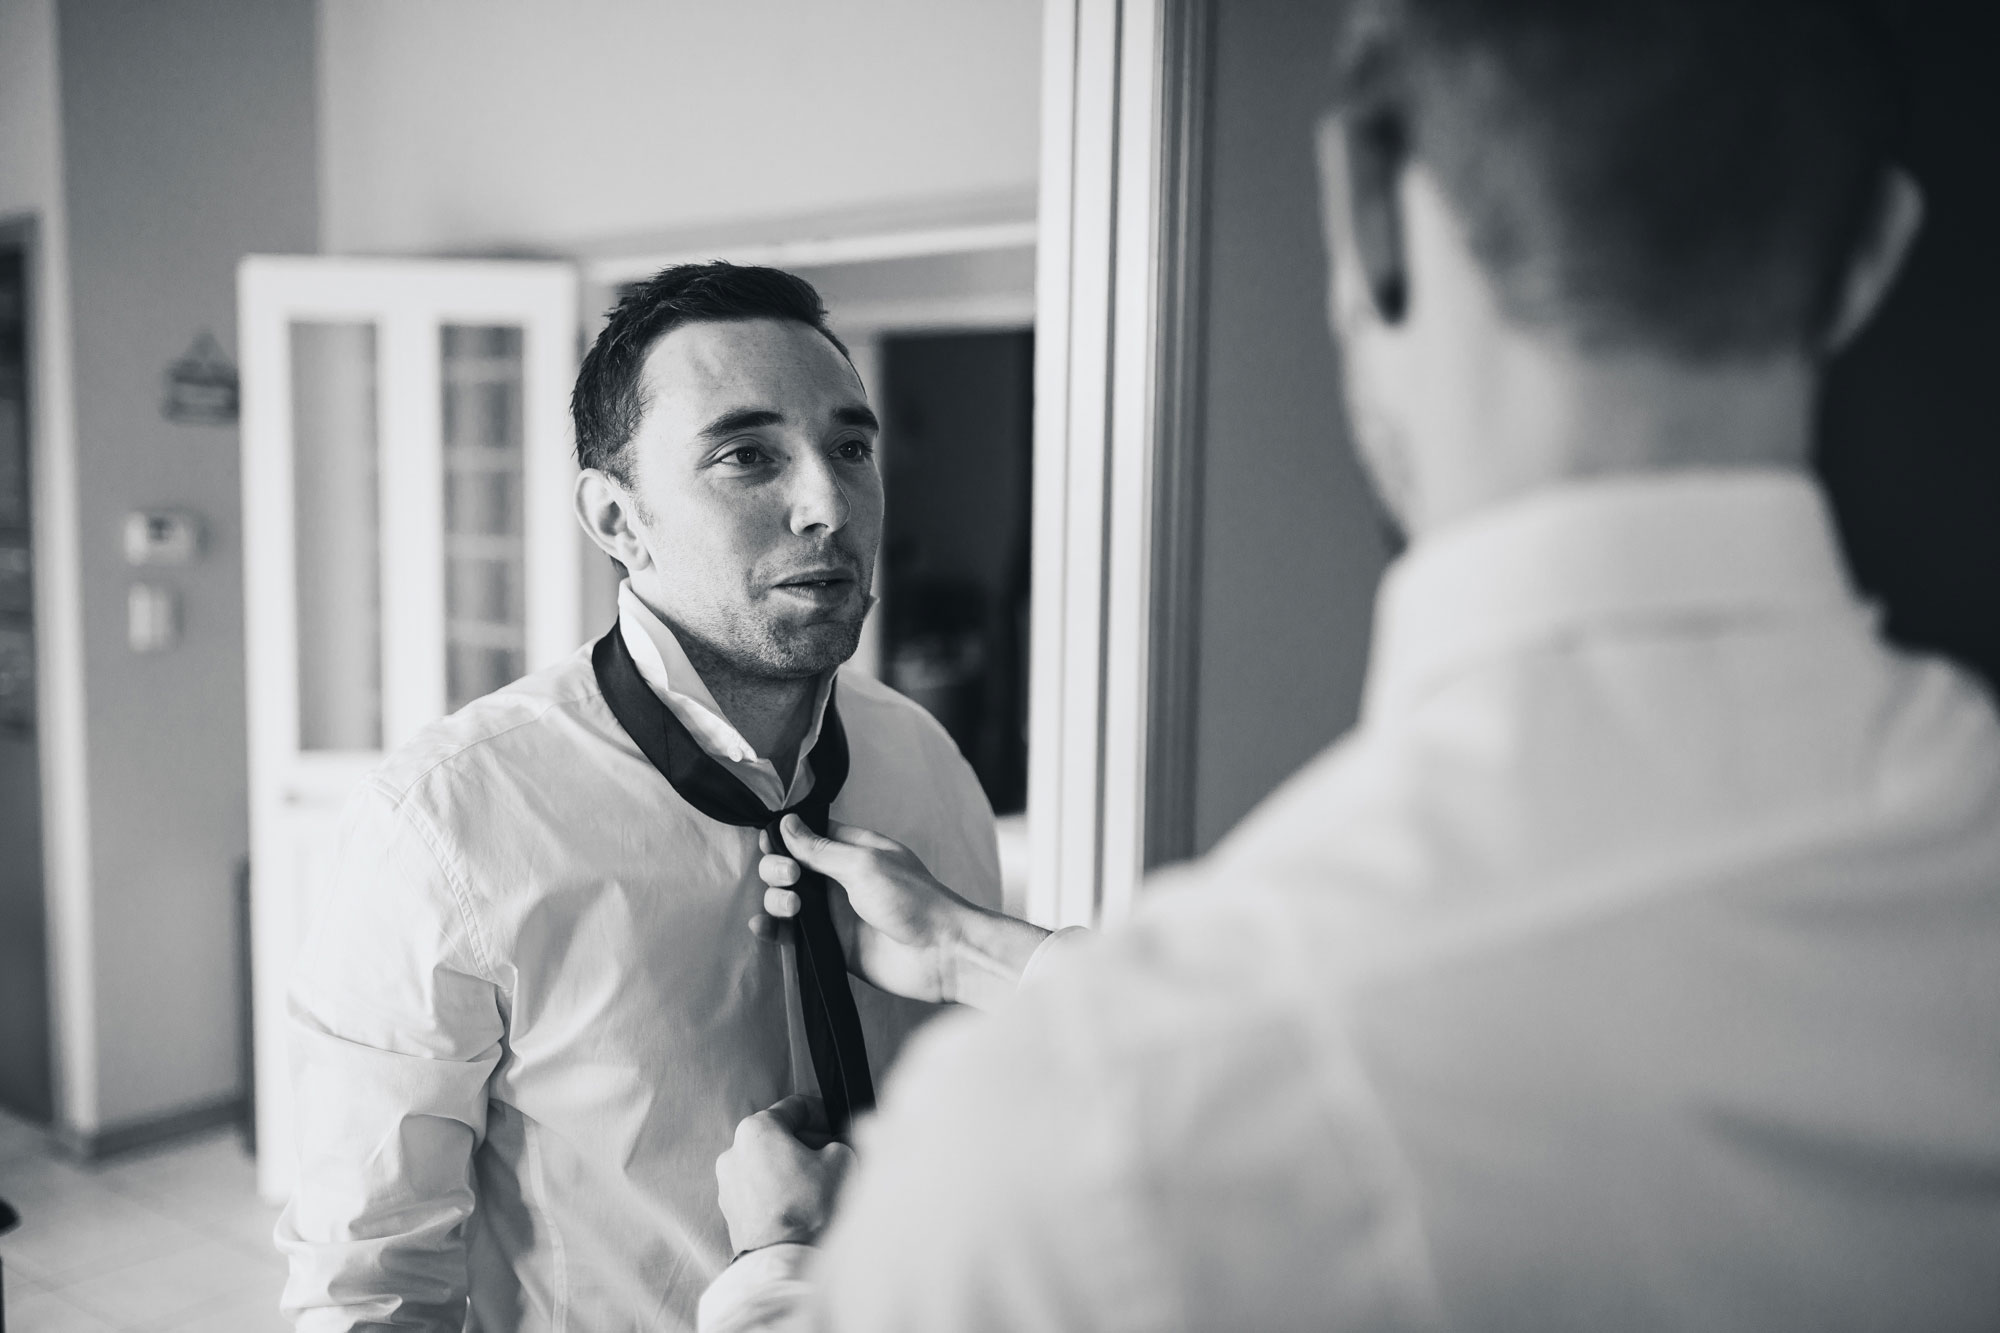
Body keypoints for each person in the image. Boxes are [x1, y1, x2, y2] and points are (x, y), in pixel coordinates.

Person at [700, 1, 2000, 1328]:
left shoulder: (1085, 1144)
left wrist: (776, 1269)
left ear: (1362, 207)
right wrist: (981, 949)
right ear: (1872, 254)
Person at [277, 263, 1016, 1330]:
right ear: (616, 518)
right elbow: (369, 1282)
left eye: (850, 447)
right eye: (746, 455)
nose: (827, 504)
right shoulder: (444, 828)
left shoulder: (927, 766)